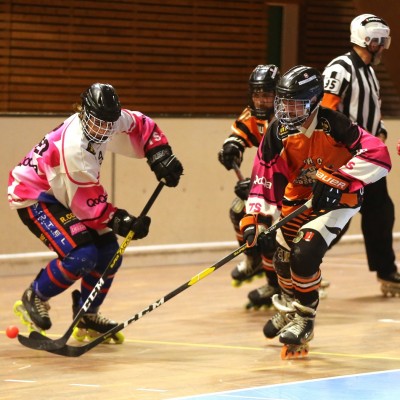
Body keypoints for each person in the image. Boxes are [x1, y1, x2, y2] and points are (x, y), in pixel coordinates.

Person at [8, 83, 184, 342]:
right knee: (82, 255)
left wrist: (160, 155)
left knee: (109, 252)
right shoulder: (75, 151)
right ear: (84, 112)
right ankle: (35, 295)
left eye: (108, 123)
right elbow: (88, 206)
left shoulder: (109, 120)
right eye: (97, 123)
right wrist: (123, 221)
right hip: (35, 195)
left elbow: (141, 124)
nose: (103, 130)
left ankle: (87, 315)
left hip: (66, 191)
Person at [240, 65, 391, 357]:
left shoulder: (336, 124)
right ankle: (289, 306)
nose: (286, 109)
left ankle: (305, 318)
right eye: (283, 102)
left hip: (338, 201)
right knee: (281, 258)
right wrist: (255, 219)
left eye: (295, 103)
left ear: (314, 100)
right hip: (297, 200)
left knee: (305, 252)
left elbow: (379, 155)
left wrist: (338, 179)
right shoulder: (277, 132)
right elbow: (263, 177)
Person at [321, 13, 400, 296]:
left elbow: (372, 113)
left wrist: (379, 132)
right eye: (377, 41)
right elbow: (326, 111)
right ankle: (300, 263)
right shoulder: (341, 67)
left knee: (381, 213)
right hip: (347, 157)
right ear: (363, 39)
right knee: (337, 216)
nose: (381, 47)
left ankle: (387, 271)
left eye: (383, 41)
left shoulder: (369, 72)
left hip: (369, 158)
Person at [218, 64, 281, 309]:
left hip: (293, 187)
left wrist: (257, 186)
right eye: (257, 95)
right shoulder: (256, 114)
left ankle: (277, 285)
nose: (261, 100)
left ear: (278, 94)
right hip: (269, 183)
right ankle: (254, 259)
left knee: (268, 232)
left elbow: (288, 167)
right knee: (239, 210)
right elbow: (239, 134)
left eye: (267, 95)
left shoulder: (288, 119)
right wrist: (231, 147)